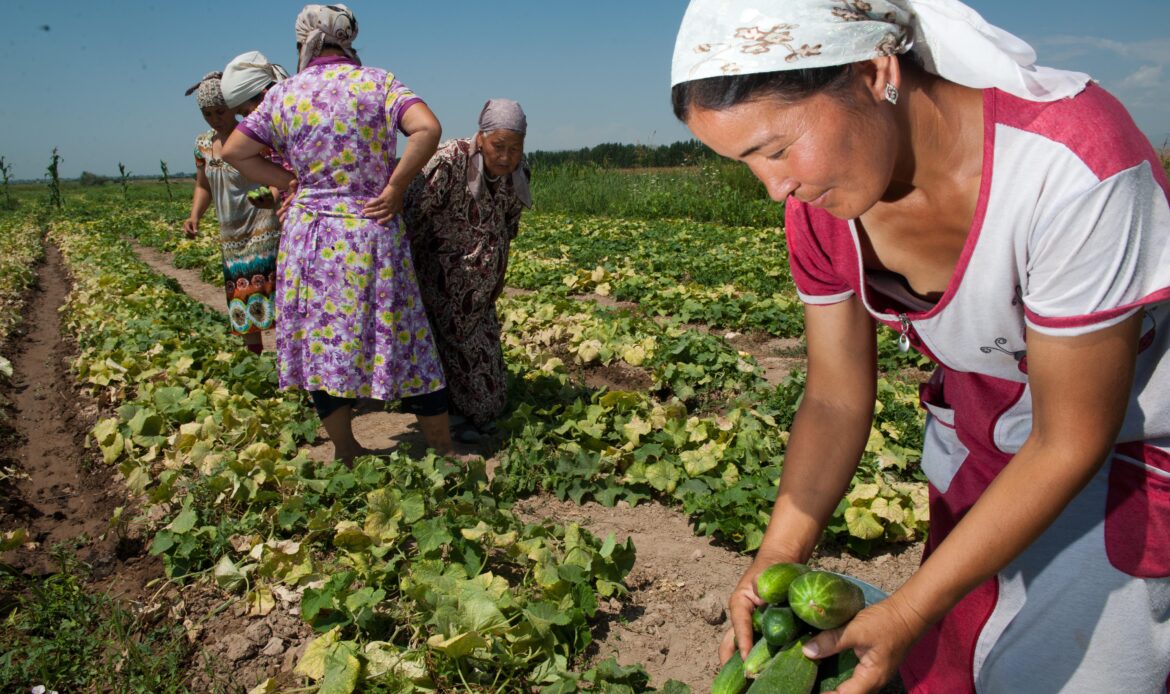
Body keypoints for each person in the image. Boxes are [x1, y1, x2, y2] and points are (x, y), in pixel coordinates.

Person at [670, 1, 1170, 692]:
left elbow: (1068, 438)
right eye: (746, 163)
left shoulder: (1070, 167)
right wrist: (777, 556)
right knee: (965, 652)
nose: (775, 186)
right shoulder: (819, 215)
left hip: (1118, 458)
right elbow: (835, 398)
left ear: (877, 72)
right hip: (983, 440)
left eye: (777, 148)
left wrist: (908, 607)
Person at [221, 4, 461, 462]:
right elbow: (427, 129)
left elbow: (236, 151)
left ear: (302, 44)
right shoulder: (379, 82)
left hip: (309, 237)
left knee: (321, 347)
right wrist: (394, 187)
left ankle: (347, 450)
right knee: (406, 338)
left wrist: (289, 182)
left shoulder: (285, 94)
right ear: (348, 40)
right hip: (371, 229)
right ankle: (443, 451)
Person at [404, 99, 532, 442]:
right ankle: (443, 411)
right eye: (498, 146)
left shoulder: (519, 173)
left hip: (478, 296)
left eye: (514, 148)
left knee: (492, 395)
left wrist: (497, 275)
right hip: (439, 284)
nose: (505, 156)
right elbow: (411, 217)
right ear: (481, 137)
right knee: (455, 367)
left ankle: (457, 406)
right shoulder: (449, 161)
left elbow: (508, 228)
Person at [182, 72, 281, 353]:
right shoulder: (203, 145)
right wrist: (195, 216)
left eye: (220, 111)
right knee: (242, 297)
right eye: (208, 113)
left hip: (264, 227)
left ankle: (288, 362)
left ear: (233, 107)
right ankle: (255, 360)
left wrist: (272, 196)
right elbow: (203, 186)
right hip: (231, 235)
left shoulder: (253, 137)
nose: (215, 118)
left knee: (272, 293)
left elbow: (277, 173)